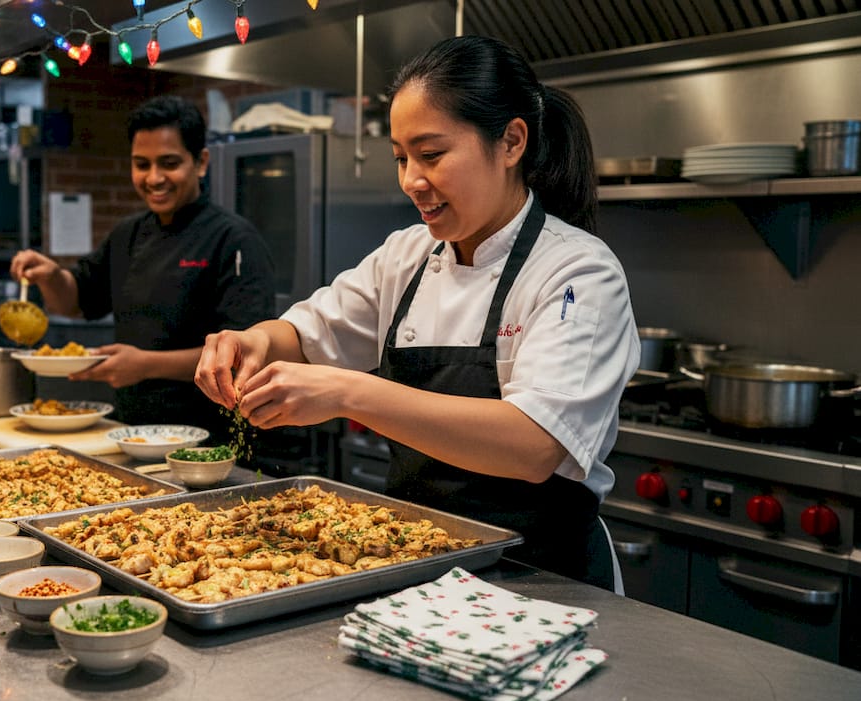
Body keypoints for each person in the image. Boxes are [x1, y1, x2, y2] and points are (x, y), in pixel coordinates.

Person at [193, 36, 640, 591]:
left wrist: (345, 393)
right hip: (421, 565)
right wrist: (252, 341)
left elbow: (534, 445)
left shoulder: (577, 272)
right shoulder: (407, 255)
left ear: (511, 142)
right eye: (402, 158)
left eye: (431, 155)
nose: (411, 181)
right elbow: (307, 334)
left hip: (544, 579)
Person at [10, 95, 275, 439]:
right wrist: (51, 276)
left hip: (209, 439)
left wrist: (145, 365)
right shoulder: (129, 233)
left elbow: (244, 355)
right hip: (131, 432)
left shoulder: (234, 240)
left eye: (169, 163)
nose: (154, 178)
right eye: (141, 164)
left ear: (201, 162)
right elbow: (73, 301)